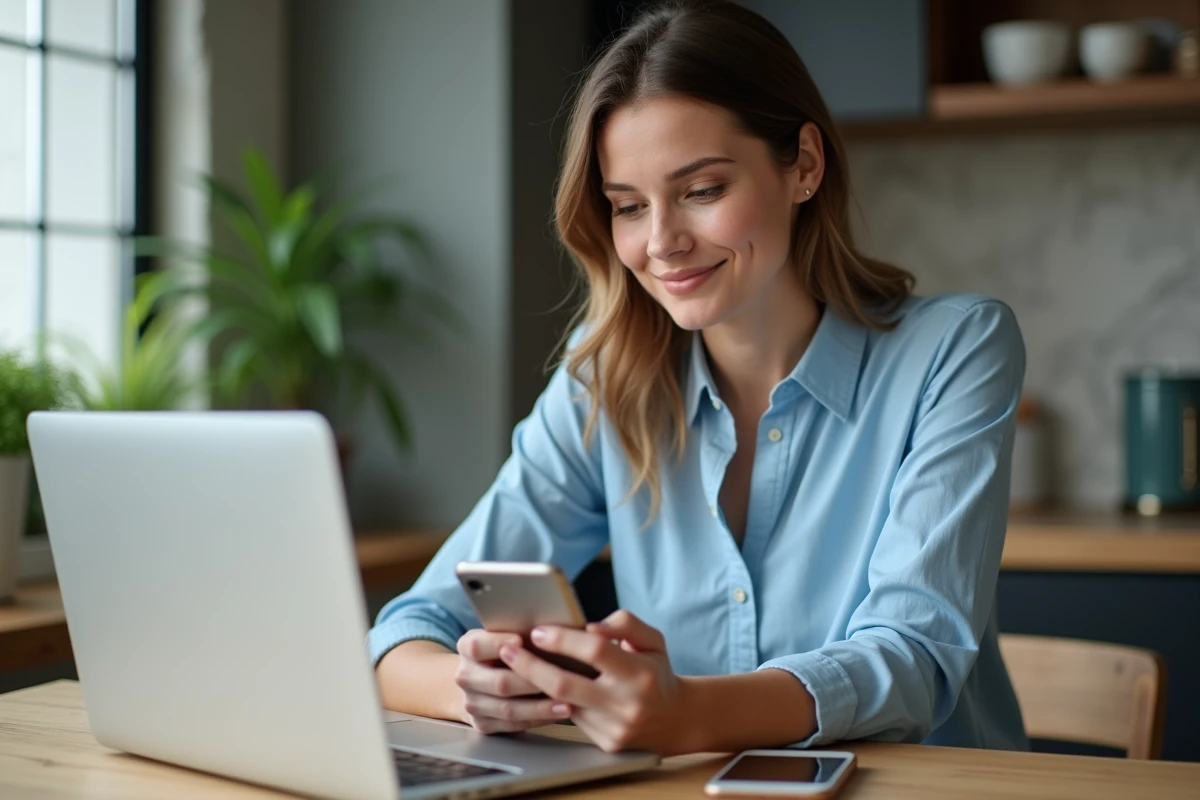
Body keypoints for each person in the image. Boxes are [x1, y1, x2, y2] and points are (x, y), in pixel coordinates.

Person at [370, 0, 1029, 757]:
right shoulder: (606, 376)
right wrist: (477, 686)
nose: (661, 244)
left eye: (703, 190)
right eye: (627, 207)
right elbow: (408, 628)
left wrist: (685, 714)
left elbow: (912, 661)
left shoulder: (955, 348)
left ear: (804, 166)